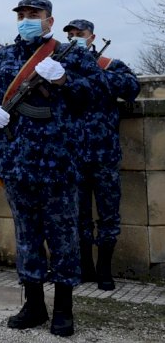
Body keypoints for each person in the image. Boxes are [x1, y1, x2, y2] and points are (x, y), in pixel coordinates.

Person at [0, 0, 108, 337]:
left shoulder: (72, 56)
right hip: (16, 163)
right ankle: (33, 304)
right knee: (27, 238)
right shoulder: (0, 57)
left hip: (59, 163)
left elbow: (100, 94)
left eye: (34, 15)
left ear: (50, 20)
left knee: (62, 238)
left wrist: (64, 81)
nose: (27, 20)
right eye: (22, 16)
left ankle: (63, 308)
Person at [64, 19, 140, 291]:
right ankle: (85, 267)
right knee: (78, 215)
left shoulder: (108, 64)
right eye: (70, 35)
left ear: (92, 36)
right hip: (73, 155)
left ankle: (105, 269)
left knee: (108, 216)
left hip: (104, 154)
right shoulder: (62, 67)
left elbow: (131, 87)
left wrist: (94, 71)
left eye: (79, 34)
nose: (74, 38)